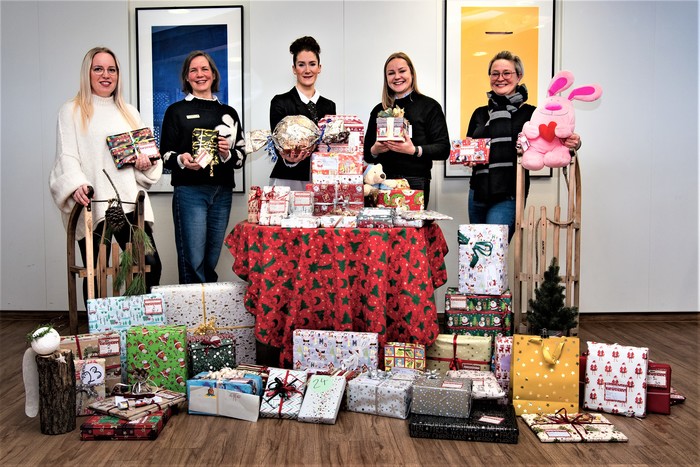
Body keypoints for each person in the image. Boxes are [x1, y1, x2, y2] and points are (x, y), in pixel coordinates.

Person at [49, 46, 163, 305]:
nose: (106, 75)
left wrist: (144, 163)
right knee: (96, 275)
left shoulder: (129, 112)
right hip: (94, 205)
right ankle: (98, 329)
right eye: (98, 69)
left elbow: (147, 159)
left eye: (112, 69)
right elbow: (66, 156)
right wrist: (77, 184)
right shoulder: (71, 110)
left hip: (129, 204)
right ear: (87, 73)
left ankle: (138, 323)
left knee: (149, 265)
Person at [466, 50, 581, 241]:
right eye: (495, 73)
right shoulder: (479, 113)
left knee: (493, 248)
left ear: (519, 76)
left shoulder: (533, 114)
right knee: (476, 250)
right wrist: (466, 156)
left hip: (509, 193)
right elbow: (469, 144)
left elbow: (555, 140)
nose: (500, 78)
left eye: (507, 73)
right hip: (477, 192)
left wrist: (574, 142)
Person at [160, 50, 246, 284]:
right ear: (187, 77)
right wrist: (182, 160)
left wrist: (227, 154)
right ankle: (193, 307)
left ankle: (208, 305)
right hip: (190, 192)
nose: (200, 74)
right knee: (193, 261)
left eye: (205, 69)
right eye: (194, 70)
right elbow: (165, 155)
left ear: (213, 74)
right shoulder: (176, 111)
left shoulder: (229, 113)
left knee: (210, 260)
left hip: (222, 192)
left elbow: (240, 157)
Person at [364, 52, 450, 208]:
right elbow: (367, 154)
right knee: (382, 225)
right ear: (386, 78)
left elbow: (443, 149)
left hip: (416, 181)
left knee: (412, 225)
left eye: (402, 71)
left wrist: (414, 150)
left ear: (412, 73)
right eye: (391, 73)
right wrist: (375, 150)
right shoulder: (379, 110)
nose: (397, 77)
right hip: (382, 181)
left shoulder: (430, 106)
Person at [269, 36, 336, 190]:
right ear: (294, 69)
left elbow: (330, 145)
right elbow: (278, 144)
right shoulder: (280, 102)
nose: (307, 70)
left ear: (319, 68)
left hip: (322, 177)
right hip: (288, 178)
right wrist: (289, 157)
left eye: (312, 64)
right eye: (301, 65)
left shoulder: (329, 106)